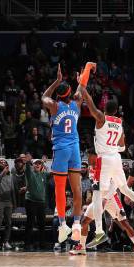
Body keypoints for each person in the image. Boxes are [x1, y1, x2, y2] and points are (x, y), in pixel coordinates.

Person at [77, 79, 134, 253]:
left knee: (97, 192)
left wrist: (83, 88)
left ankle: (99, 231)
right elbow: (122, 145)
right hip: (116, 158)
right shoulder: (120, 123)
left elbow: (89, 103)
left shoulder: (101, 118)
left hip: (105, 159)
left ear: (104, 108)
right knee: (125, 189)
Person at [42, 63, 88, 244]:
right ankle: (76, 223)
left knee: (60, 189)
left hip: (61, 149)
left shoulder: (54, 106)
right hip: (75, 149)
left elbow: (44, 96)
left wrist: (56, 81)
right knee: (77, 189)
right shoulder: (76, 105)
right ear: (70, 94)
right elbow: (81, 89)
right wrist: (81, 78)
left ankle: (62, 225)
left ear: (58, 95)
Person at [75, 151, 134, 256]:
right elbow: (95, 186)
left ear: (95, 156)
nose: (87, 158)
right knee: (84, 221)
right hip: (98, 198)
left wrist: (105, 199)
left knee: (124, 223)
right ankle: (82, 247)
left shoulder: (105, 166)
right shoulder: (90, 169)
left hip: (111, 198)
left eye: (89, 156)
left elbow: (114, 184)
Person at [24, 157, 50, 251]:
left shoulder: (44, 174)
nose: (37, 165)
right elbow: (27, 168)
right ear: (33, 165)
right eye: (36, 163)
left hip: (41, 203)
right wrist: (28, 162)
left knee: (42, 224)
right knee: (30, 223)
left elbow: (52, 173)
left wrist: (44, 163)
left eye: (39, 164)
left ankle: (42, 244)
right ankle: (27, 244)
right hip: (31, 201)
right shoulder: (30, 173)